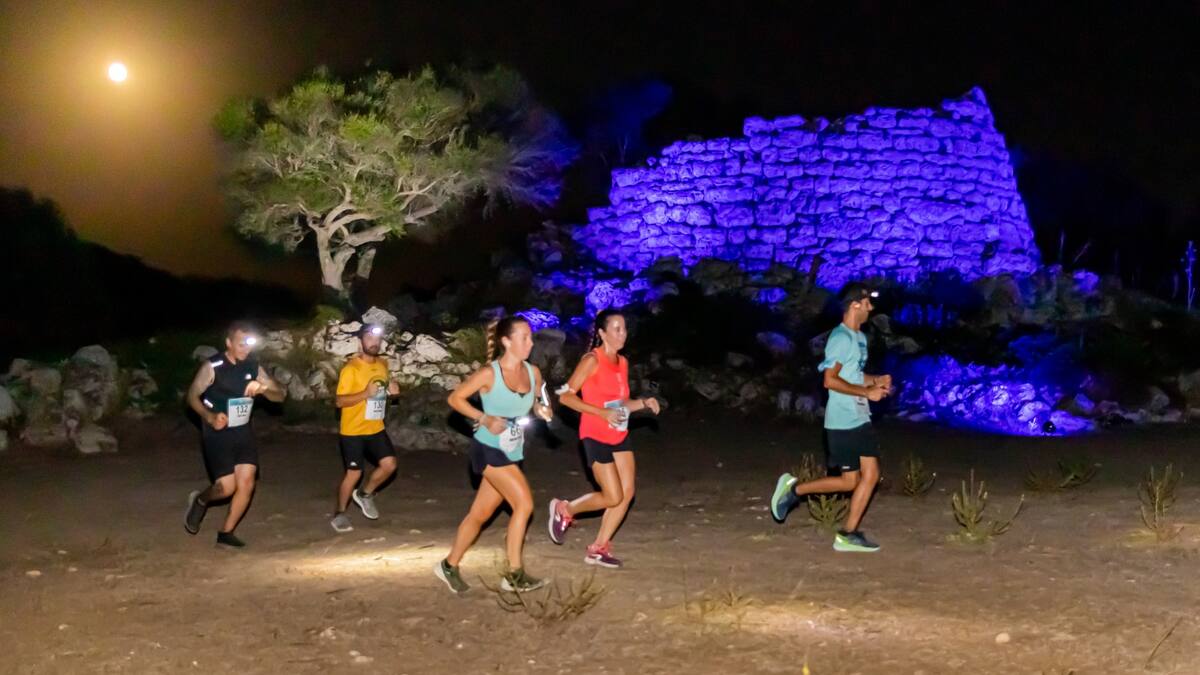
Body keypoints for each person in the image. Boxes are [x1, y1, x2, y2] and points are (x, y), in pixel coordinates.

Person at [769, 283, 893, 552]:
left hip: (859, 415)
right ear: (855, 305)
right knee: (855, 480)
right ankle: (795, 492)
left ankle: (847, 533)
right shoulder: (840, 338)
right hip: (843, 419)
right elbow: (830, 380)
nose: (871, 308)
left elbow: (853, 375)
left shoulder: (859, 338)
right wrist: (866, 392)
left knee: (865, 477)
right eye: (867, 303)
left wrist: (876, 381)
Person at [435, 316, 553, 594]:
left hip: (512, 451)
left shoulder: (533, 372)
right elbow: (454, 399)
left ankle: (448, 565)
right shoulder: (490, 374)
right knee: (524, 504)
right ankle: (514, 575)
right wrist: (484, 418)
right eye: (524, 337)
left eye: (531, 337)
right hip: (487, 449)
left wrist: (541, 410)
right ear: (506, 341)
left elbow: (537, 401)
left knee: (480, 514)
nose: (531, 342)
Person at [546, 309, 660, 568]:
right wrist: (601, 413)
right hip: (595, 435)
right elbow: (566, 397)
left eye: (624, 328)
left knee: (627, 493)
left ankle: (598, 548)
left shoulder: (623, 362)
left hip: (619, 433)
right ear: (602, 333)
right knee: (612, 496)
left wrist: (643, 402)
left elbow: (621, 402)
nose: (622, 334)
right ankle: (565, 509)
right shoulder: (591, 360)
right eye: (616, 329)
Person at [183, 321, 286, 548]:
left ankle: (226, 533)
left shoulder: (253, 367)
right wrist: (209, 416)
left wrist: (264, 389)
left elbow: (280, 396)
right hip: (217, 432)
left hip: (242, 430)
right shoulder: (214, 366)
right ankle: (200, 500)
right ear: (228, 343)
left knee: (247, 482)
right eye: (241, 344)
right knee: (225, 488)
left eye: (249, 344)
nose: (246, 348)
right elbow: (192, 396)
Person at [330, 324, 401, 533]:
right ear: (360, 342)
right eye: (369, 338)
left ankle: (365, 494)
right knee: (354, 474)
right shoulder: (350, 369)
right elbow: (339, 401)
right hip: (353, 431)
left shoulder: (383, 365)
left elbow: (384, 393)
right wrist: (364, 394)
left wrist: (394, 393)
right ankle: (339, 514)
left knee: (389, 465)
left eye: (377, 339)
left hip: (375, 427)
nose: (374, 343)